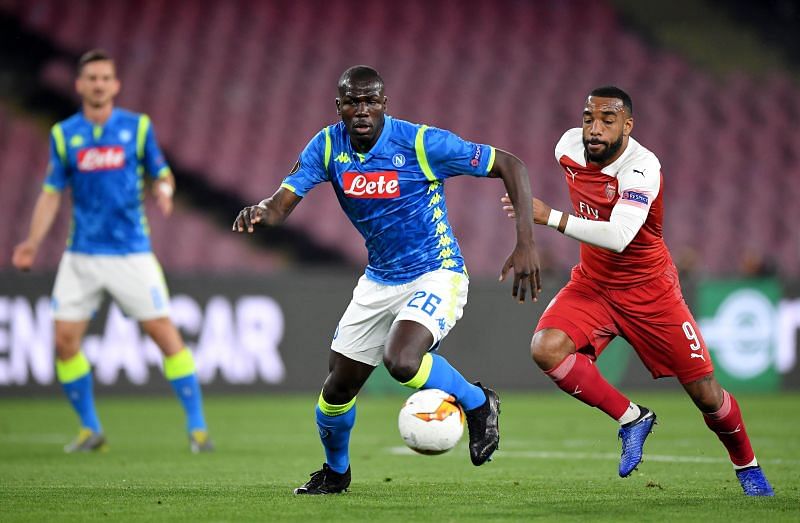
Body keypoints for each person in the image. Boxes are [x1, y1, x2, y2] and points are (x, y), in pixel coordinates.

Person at [233, 65, 541, 494]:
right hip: (379, 280)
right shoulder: (327, 146)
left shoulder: (420, 142)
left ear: (384, 104)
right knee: (336, 390)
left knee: (402, 361)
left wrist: (525, 242)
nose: (362, 109)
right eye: (353, 101)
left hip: (437, 272)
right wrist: (262, 212)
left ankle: (477, 402)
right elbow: (282, 202)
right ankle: (336, 473)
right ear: (339, 106)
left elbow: (511, 164)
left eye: (371, 100)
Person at [501, 86, 774, 496]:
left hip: (651, 293)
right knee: (546, 348)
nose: (594, 129)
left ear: (627, 126)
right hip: (594, 285)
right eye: (588, 118)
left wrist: (551, 217)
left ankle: (748, 467)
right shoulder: (567, 148)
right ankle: (632, 418)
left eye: (607, 121)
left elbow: (619, 236)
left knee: (706, 395)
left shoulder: (642, 167)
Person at [12, 49, 212, 454]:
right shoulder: (64, 134)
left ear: (115, 85)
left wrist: (164, 189)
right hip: (81, 254)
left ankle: (198, 428)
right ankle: (90, 430)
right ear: (80, 85)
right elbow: (52, 194)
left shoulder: (137, 128)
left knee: (163, 334)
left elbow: (161, 172)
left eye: (105, 78)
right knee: (64, 342)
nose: (99, 84)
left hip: (131, 254)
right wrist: (32, 242)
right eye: (92, 78)